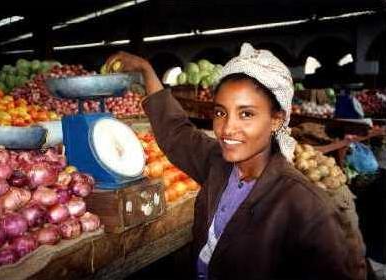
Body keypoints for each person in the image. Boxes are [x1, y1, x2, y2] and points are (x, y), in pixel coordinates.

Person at [105, 43, 367, 280]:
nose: (227, 128)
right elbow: (177, 133)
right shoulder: (217, 164)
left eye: (246, 114)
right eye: (221, 112)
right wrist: (146, 70)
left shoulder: (306, 207)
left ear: (276, 119)